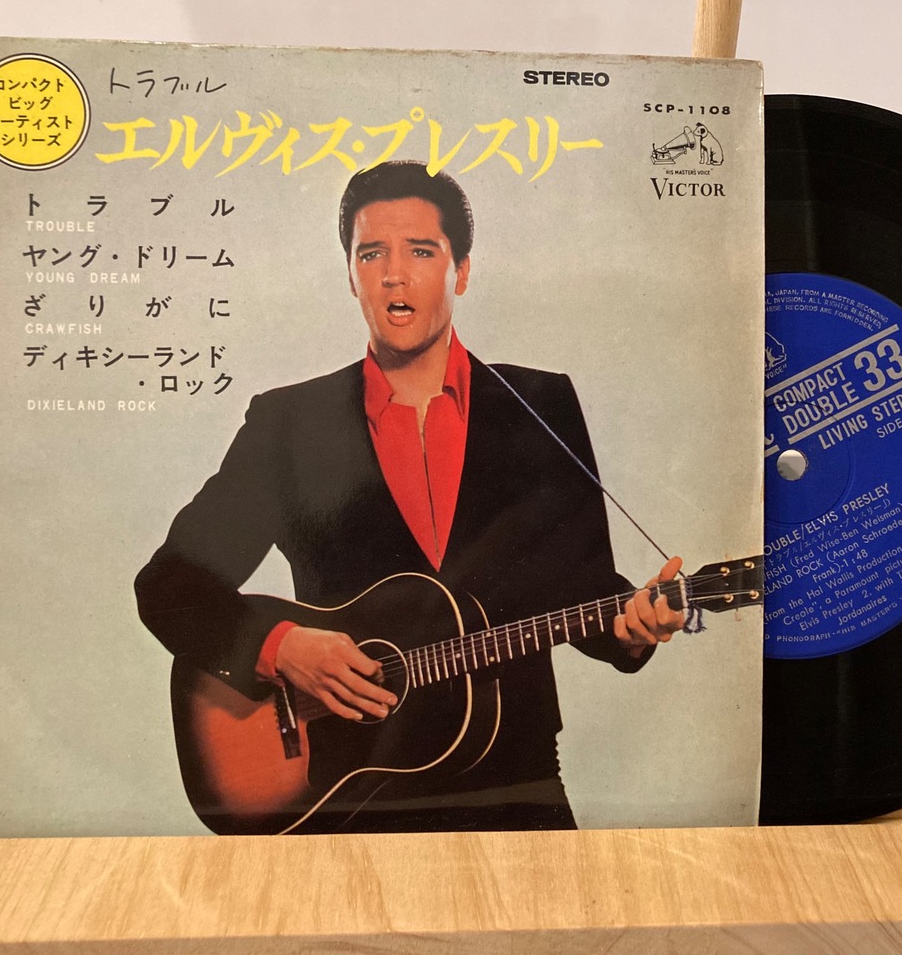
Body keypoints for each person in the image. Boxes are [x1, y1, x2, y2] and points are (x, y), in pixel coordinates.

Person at [135, 160, 684, 833]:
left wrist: (633, 626)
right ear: (351, 275)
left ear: (461, 271)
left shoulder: (539, 405)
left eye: (421, 251)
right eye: (372, 253)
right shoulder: (289, 424)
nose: (395, 274)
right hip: (348, 792)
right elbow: (170, 584)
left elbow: (581, 590)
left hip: (515, 781)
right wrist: (279, 646)